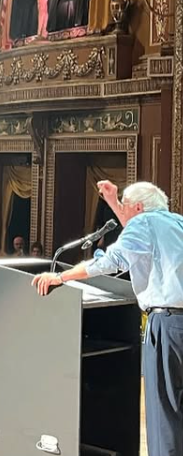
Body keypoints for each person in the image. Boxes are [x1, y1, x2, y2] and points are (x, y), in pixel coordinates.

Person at [32, 180, 183, 456]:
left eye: (124, 207)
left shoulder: (143, 224)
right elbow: (136, 232)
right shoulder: (177, 224)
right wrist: (115, 201)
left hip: (167, 326)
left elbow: (110, 261)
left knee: (164, 415)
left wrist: (60, 276)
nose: (121, 213)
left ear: (138, 207)